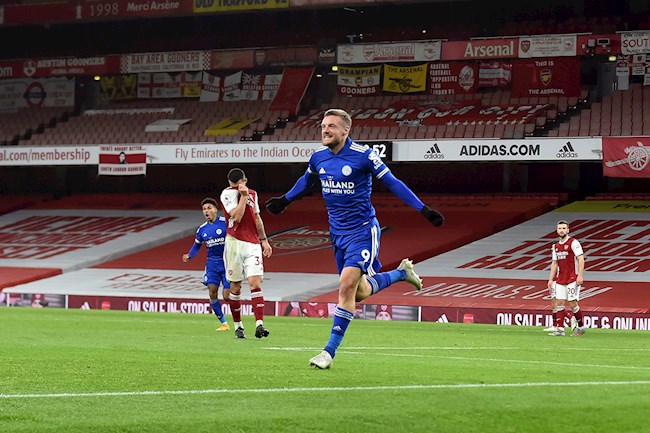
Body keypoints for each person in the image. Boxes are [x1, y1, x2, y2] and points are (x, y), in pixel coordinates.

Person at [265, 108, 444, 369]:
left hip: (362, 231)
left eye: (331, 127)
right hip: (337, 234)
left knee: (346, 285)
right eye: (323, 126)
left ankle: (328, 352)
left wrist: (423, 209)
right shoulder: (318, 158)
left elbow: (393, 182)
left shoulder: (364, 156)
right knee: (358, 292)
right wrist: (285, 200)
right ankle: (401, 273)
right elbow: (306, 181)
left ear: (346, 130)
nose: (325, 130)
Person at [220, 168, 273, 339]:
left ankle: (260, 324)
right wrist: (243, 196)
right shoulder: (227, 194)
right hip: (234, 243)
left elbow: (257, 218)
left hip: (252, 244)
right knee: (235, 287)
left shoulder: (253, 194)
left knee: (255, 283)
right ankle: (238, 325)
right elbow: (236, 216)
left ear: (246, 180)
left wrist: (264, 240)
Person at [182, 197, 230, 332]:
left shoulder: (225, 223)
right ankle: (224, 323)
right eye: (204, 209)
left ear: (216, 209)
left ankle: (238, 319)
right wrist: (189, 256)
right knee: (212, 293)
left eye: (209, 208)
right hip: (212, 265)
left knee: (227, 296)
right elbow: (196, 246)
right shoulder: (202, 229)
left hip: (227, 263)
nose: (206, 211)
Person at [547, 220, 586, 337]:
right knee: (559, 302)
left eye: (564, 228)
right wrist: (550, 279)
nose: (561, 230)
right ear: (557, 230)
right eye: (559, 228)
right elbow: (554, 263)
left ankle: (580, 327)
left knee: (572, 303)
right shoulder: (556, 246)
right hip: (560, 278)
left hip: (572, 278)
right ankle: (560, 329)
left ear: (568, 230)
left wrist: (580, 275)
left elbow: (581, 259)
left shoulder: (573, 242)